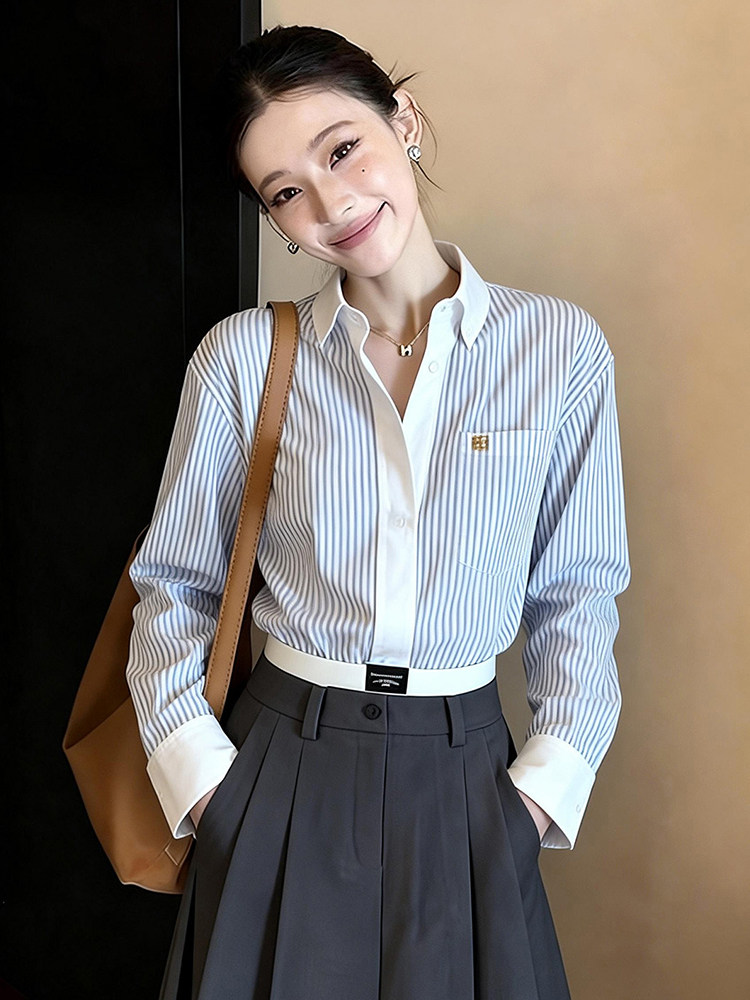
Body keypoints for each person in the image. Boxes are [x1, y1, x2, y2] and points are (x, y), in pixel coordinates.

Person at [125, 23, 630, 1000]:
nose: (333, 204)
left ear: (405, 121)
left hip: (471, 774)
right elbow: (175, 586)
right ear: (274, 220)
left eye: (342, 148)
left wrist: (541, 792)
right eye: (286, 192)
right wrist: (210, 787)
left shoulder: (559, 349)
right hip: (279, 764)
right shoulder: (242, 358)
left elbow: (577, 595)